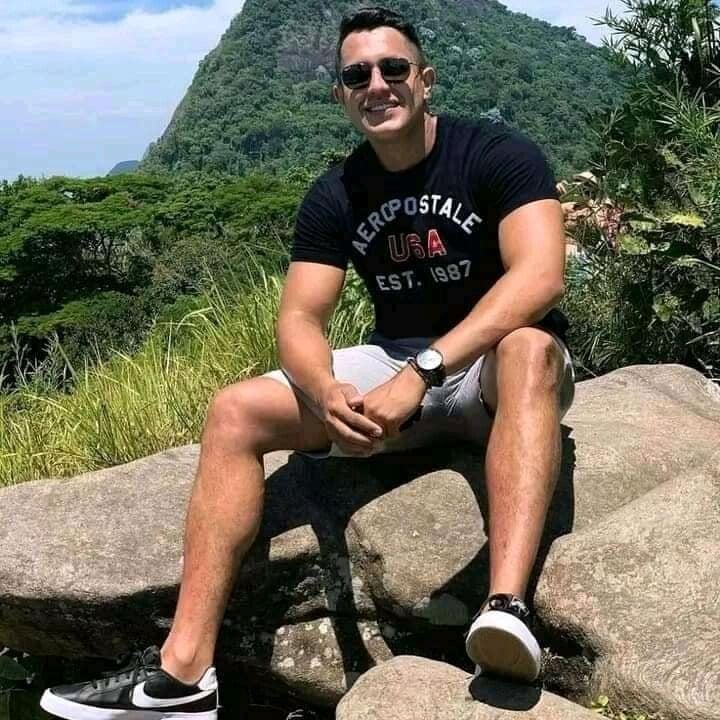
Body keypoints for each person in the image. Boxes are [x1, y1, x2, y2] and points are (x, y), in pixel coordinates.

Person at [40, 7, 575, 719]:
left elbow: (540, 277)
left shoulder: (495, 154)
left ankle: (505, 609)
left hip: (490, 373)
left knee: (529, 347)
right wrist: (325, 392)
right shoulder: (337, 191)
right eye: (358, 75)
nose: (377, 84)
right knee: (235, 410)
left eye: (393, 69)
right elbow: (298, 317)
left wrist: (424, 371)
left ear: (425, 80)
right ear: (340, 95)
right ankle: (185, 673)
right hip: (396, 365)